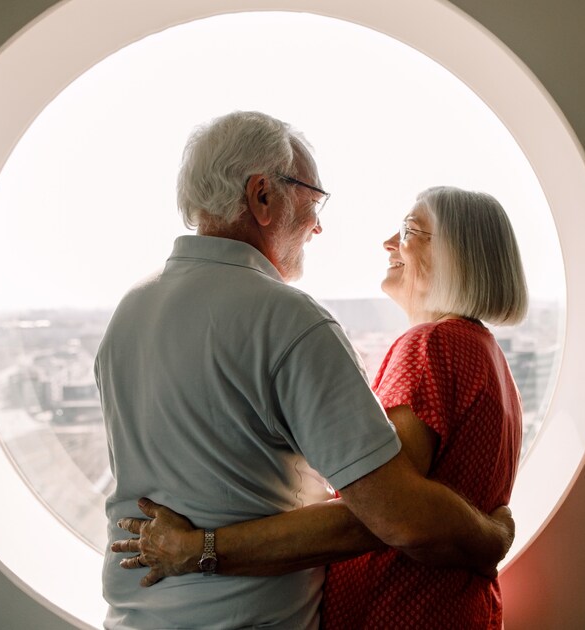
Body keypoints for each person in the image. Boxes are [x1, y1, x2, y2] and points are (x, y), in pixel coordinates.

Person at [96, 111, 513, 629]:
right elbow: (392, 516)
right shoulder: (288, 319)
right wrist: (495, 535)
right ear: (263, 197)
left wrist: (192, 547)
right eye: (313, 200)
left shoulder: (129, 311)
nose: (318, 225)